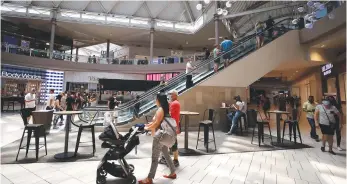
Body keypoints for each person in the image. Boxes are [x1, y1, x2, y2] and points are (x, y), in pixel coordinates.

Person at [139, 93, 177, 184]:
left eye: (156, 99)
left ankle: (149, 179)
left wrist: (147, 128)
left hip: (160, 136)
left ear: (158, 100)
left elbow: (156, 124)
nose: (155, 101)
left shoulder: (160, 109)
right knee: (166, 154)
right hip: (165, 136)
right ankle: (173, 172)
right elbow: (156, 122)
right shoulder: (166, 109)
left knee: (155, 158)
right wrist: (147, 125)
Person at [159, 90, 181, 167]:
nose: (170, 96)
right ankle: (164, 158)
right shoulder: (173, 103)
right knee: (167, 142)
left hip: (172, 126)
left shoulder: (175, 103)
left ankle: (175, 160)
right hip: (171, 126)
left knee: (173, 143)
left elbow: (170, 114)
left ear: (175, 95)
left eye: (171, 94)